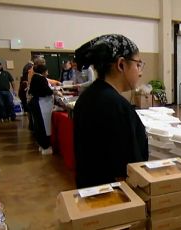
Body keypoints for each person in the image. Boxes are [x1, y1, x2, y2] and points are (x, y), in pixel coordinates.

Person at [73, 34, 148, 188]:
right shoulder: (117, 106)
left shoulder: (86, 97)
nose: (140, 72)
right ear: (121, 65)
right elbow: (127, 170)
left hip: (90, 193)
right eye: (138, 64)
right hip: (113, 199)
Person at [28, 64, 55, 155]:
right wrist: (54, 92)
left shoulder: (35, 77)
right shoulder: (40, 78)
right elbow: (46, 91)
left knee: (39, 125)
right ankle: (45, 146)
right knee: (43, 126)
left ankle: (42, 145)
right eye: (46, 71)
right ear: (43, 71)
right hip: (41, 104)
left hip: (37, 103)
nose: (47, 73)